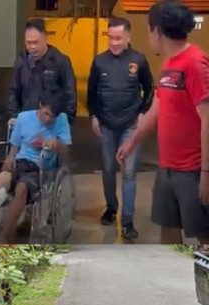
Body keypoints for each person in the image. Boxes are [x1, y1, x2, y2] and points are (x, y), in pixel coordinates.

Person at [117, 0, 209, 245]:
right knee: (169, 229)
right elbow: (158, 106)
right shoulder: (168, 64)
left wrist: (207, 174)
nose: (149, 36)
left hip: (195, 170)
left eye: (148, 30)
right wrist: (132, 142)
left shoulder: (196, 62)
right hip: (168, 167)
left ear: (157, 31)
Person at [0, 93, 71, 244]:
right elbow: (14, 146)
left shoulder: (61, 120)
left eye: (52, 117)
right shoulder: (24, 118)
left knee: (22, 188)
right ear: (40, 105)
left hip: (40, 167)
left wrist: (57, 144)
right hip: (20, 162)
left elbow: (66, 153)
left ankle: (5, 236)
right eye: (46, 114)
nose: (48, 119)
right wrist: (10, 157)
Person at [87, 16, 154, 241]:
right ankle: (111, 208)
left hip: (130, 126)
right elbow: (91, 93)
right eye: (110, 38)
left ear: (128, 37)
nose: (114, 43)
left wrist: (142, 112)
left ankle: (127, 222)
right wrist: (94, 116)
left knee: (129, 172)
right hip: (106, 125)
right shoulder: (99, 62)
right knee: (108, 169)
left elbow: (150, 90)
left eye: (118, 38)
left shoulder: (139, 61)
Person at [8, 18, 77, 127]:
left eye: (36, 42)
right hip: (27, 122)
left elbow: (70, 93)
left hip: (53, 123)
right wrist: (14, 115)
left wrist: (68, 120)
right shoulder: (21, 62)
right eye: (28, 43)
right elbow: (14, 91)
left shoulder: (60, 61)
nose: (32, 47)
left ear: (45, 38)